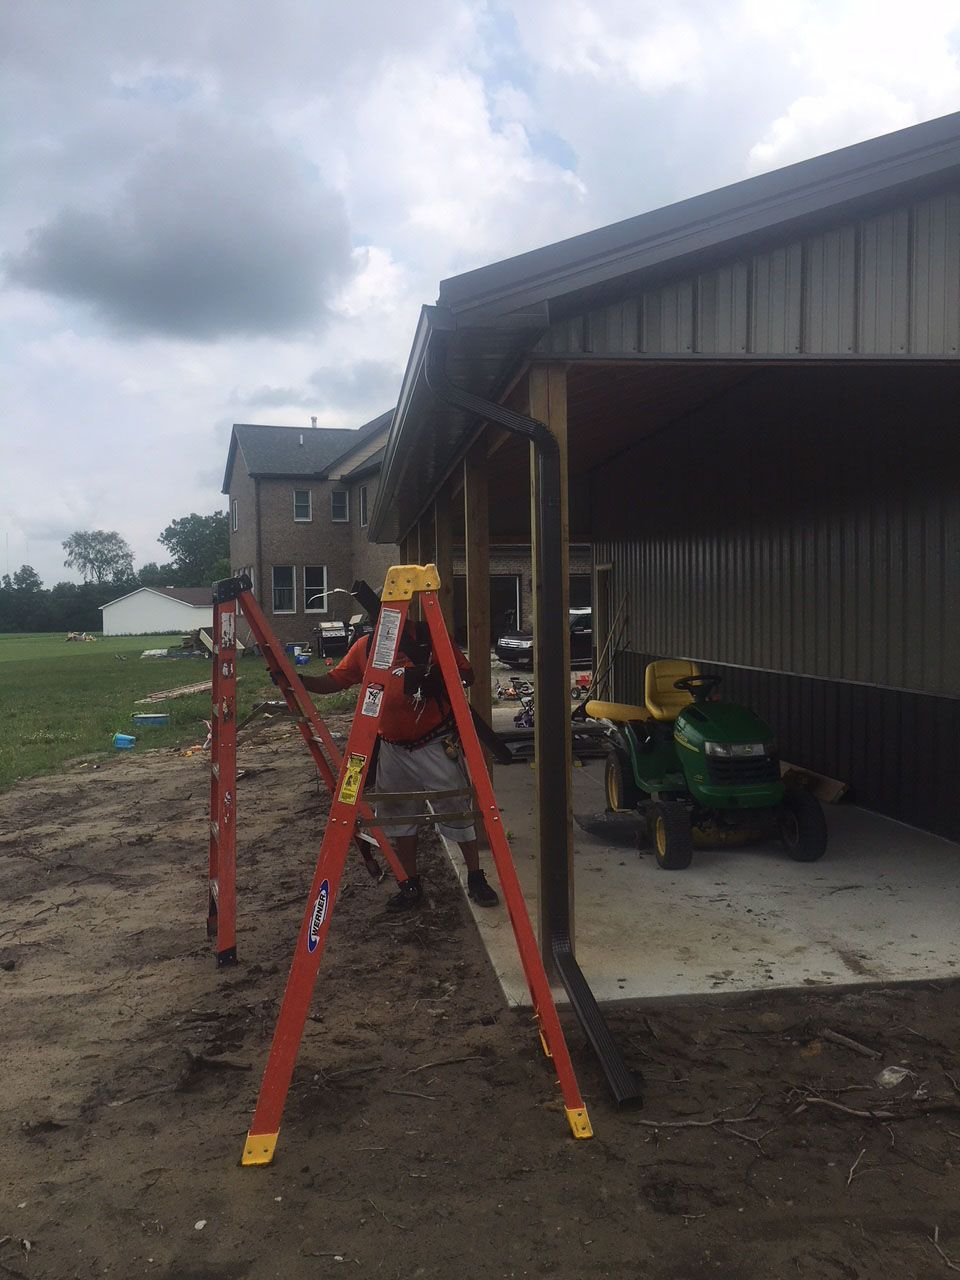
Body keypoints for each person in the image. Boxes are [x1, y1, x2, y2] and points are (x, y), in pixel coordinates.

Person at [301, 619, 500, 913]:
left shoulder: (430, 639)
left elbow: (467, 676)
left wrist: (435, 677)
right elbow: (334, 680)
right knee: (398, 814)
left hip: (435, 741)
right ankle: (411, 884)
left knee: (456, 808)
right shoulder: (367, 647)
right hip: (393, 748)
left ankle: (475, 876)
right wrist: (297, 679)